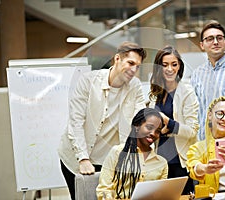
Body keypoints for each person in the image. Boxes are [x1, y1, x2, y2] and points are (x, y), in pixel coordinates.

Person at [58, 41, 147, 200]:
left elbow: (140, 120)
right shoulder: (88, 81)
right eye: (131, 63)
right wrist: (83, 158)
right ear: (117, 59)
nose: (134, 70)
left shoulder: (135, 86)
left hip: (108, 160)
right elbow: (75, 122)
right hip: (76, 158)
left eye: (138, 66)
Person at [148, 45, 199, 195]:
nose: (170, 69)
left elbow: (192, 131)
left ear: (179, 67)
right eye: (165, 65)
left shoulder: (187, 92)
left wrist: (168, 123)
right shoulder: (156, 92)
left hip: (179, 160)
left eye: (174, 64)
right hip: (158, 159)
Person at [96, 108, 168, 199]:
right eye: (149, 127)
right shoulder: (117, 152)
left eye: (157, 131)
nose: (153, 133)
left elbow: (160, 196)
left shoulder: (162, 163)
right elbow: (104, 190)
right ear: (137, 127)